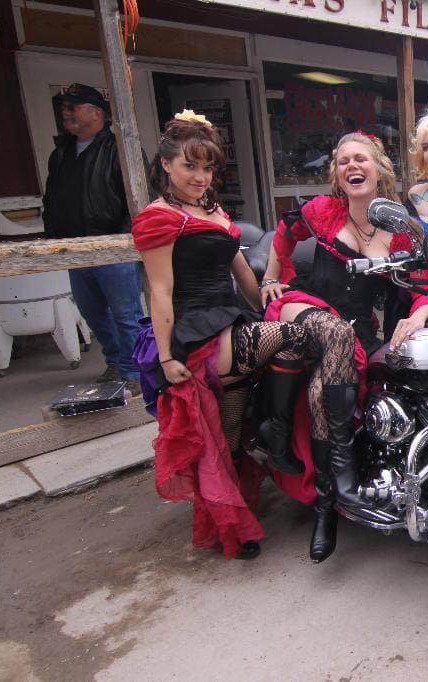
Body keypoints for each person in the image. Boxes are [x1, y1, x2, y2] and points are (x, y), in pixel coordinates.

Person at [132, 111, 308, 560]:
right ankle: (275, 431)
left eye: (207, 167)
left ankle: (237, 524)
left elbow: (243, 274)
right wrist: (169, 355)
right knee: (298, 338)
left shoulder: (211, 210)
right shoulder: (158, 217)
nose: (200, 176)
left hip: (231, 320)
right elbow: (160, 290)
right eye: (190, 166)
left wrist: (266, 305)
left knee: (228, 435)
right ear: (166, 165)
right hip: (197, 332)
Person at [259, 131, 428, 562]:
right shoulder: (323, 210)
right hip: (302, 309)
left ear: (379, 170)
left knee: (325, 390)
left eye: (361, 159)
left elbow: (425, 286)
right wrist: (272, 276)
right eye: (343, 162)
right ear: (337, 175)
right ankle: (340, 479)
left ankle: (326, 510)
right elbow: (284, 231)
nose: (352, 166)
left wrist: (418, 315)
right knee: (337, 333)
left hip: (353, 333)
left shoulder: (400, 226)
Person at [42, 83, 144, 390]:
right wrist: (53, 237)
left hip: (113, 246)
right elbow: (52, 199)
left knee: (126, 314)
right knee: (92, 313)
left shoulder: (120, 149)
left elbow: (138, 199)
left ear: (96, 112)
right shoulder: (60, 154)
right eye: (64, 107)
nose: (66, 112)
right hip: (74, 249)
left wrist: (126, 242)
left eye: (73, 107)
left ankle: (137, 372)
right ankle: (116, 362)